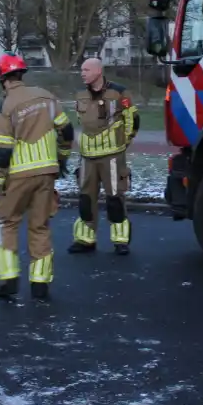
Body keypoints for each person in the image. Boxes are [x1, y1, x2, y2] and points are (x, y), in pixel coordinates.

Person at [0, 53, 73, 301]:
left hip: (18, 174)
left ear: (2, 78)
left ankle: (8, 276)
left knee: (6, 223)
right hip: (47, 172)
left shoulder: (3, 106)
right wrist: (62, 158)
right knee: (40, 226)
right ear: (21, 74)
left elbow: (3, 151)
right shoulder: (47, 96)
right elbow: (66, 130)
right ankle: (40, 282)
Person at [68, 57, 139, 256]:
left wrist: (124, 142)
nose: (82, 73)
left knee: (115, 199)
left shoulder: (119, 92)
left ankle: (120, 241)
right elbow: (81, 120)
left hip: (113, 156)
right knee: (85, 199)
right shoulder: (80, 93)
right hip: (87, 157)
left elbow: (132, 118)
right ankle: (85, 239)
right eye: (81, 69)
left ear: (98, 71)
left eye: (86, 69)